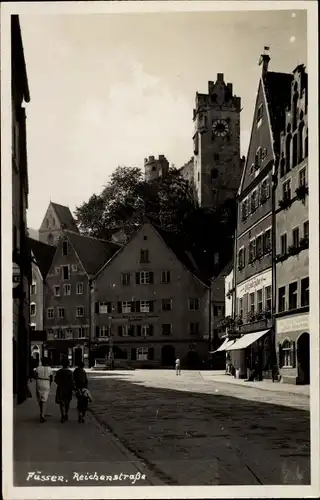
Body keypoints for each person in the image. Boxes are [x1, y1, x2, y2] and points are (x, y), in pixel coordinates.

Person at [34, 357, 53, 423]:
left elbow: (35, 376)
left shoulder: (38, 368)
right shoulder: (50, 369)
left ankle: (41, 412)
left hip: (39, 382)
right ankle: (42, 415)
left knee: (40, 398)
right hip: (46, 383)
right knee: (44, 399)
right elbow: (51, 378)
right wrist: (49, 384)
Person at [55, 358, 73, 423]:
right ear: (68, 364)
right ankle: (66, 413)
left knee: (61, 402)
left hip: (61, 388)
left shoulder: (59, 372)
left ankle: (62, 414)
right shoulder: (70, 372)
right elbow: (72, 381)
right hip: (68, 389)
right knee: (67, 402)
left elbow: (56, 380)